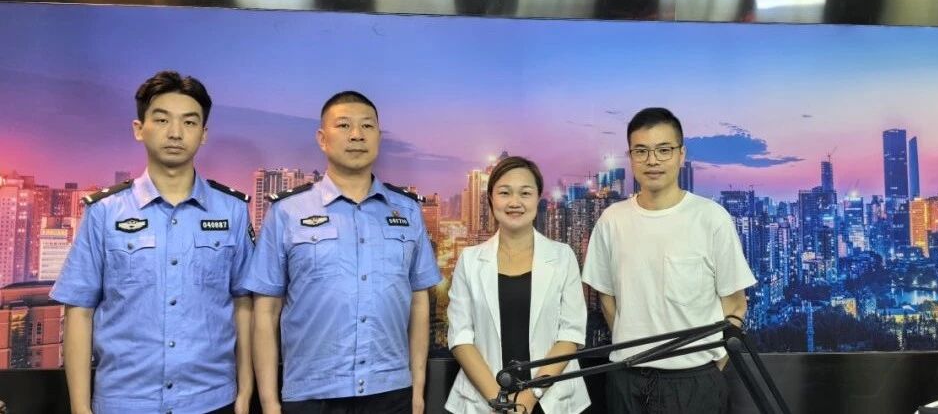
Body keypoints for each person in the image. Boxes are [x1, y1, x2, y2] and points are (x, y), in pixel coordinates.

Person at [50, 70, 255, 414]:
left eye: (189, 122)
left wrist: (245, 391)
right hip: (124, 401)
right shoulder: (104, 212)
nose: (175, 132)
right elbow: (79, 311)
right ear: (139, 128)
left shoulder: (232, 210)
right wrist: (80, 409)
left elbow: (244, 305)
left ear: (203, 134)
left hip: (211, 399)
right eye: (161, 120)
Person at [241, 91, 441, 414]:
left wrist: (417, 390)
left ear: (378, 138)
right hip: (311, 393)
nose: (357, 135)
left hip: (391, 390)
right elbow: (266, 311)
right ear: (322, 139)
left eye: (367, 126)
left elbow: (419, 302)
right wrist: (268, 402)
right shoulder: (287, 212)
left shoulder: (407, 211)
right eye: (344, 125)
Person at [581, 107, 757, 413]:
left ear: (681, 154)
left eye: (664, 150)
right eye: (641, 151)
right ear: (631, 157)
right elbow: (606, 299)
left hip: (694, 382)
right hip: (626, 379)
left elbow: (735, 303)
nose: (652, 160)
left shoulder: (711, 218)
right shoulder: (612, 220)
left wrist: (709, 366)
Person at [445, 156, 590, 414]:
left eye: (525, 193)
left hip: (549, 399)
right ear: (491, 199)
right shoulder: (469, 260)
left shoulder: (562, 256)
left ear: (538, 198)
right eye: (504, 193)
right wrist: (500, 400)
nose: (515, 202)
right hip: (485, 400)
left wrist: (529, 396)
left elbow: (571, 333)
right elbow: (461, 337)